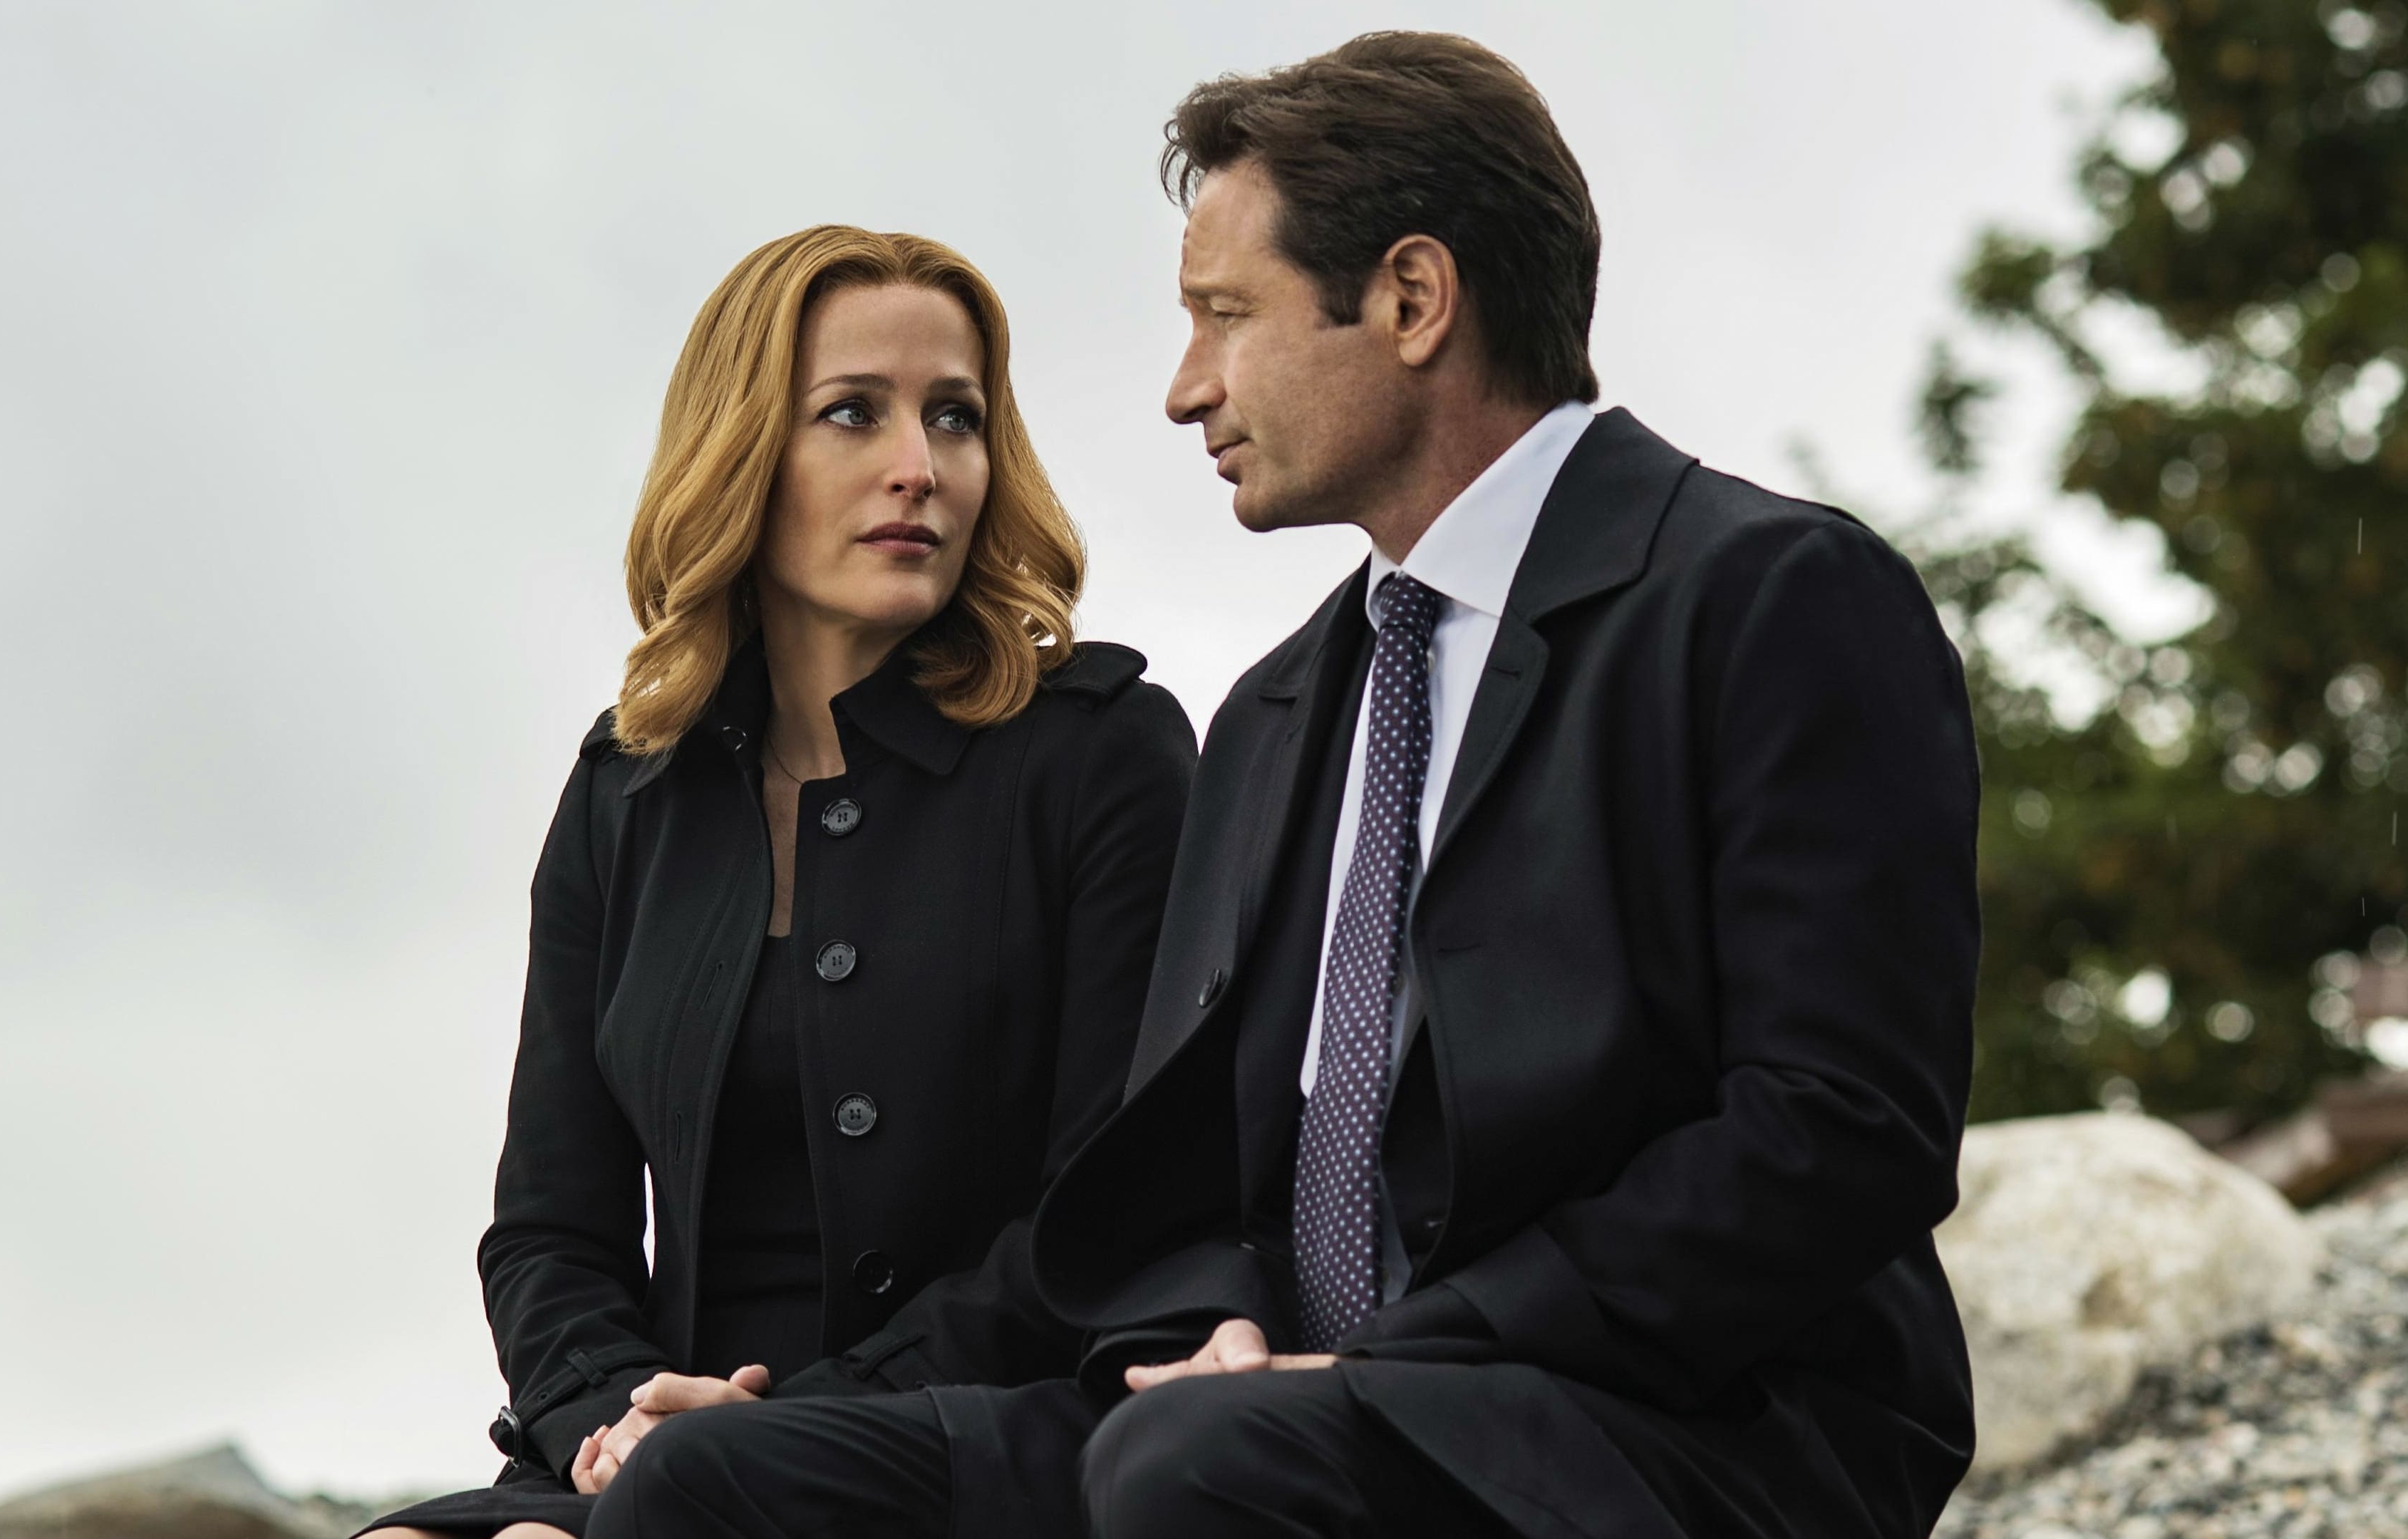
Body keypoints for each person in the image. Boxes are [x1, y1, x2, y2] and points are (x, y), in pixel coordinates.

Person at [590, 31, 1980, 1539]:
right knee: (716, 1487)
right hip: (1281, 1412)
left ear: (1411, 300)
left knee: (1191, 1469)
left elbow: (1843, 1130)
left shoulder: (1772, 597)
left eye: (1225, 316)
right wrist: (1218, 1318)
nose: (1186, 388)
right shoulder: (1275, 711)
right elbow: (1196, 1172)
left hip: (1679, 1423)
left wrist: (1402, 1357)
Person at [359, 225, 1195, 1539]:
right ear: (742, 449)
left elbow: (1105, 1216)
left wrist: (773, 1429)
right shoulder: (626, 795)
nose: (920, 466)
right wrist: (609, 1421)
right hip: (657, 1454)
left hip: (975, 1429)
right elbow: (550, 1231)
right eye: (854, 413)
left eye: (957, 417)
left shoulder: (1103, 754)